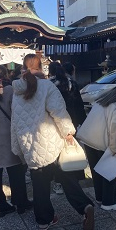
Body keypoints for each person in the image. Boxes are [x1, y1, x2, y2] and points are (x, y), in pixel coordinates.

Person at [11, 54, 95, 230]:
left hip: (31, 145)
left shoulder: (17, 90)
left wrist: (17, 147)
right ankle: (85, 207)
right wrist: (69, 132)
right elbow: (59, 112)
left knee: (40, 185)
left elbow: (15, 122)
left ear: (23, 67)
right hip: (52, 142)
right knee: (67, 178)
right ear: (41, 67)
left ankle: (44, 220)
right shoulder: (47, 86)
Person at [77, 72, 116, 211]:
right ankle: (109, 202)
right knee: (109, 172)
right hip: (102, 142)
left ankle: (100, 198)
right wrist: (115, 148)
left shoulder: (106, 96)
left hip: (89, 139)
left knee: (96, 171)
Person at [0, 65, 32, 218]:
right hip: (8, 137)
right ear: (6, 75)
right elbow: (16, 114)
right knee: (16, 171)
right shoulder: (10, 91)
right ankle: (20, 201)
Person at [48, 61, 87, 194]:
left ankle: (58, 182)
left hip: (53, 122)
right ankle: (75, 178)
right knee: (71, 149)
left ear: (50, 71)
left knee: (57, 153)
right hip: (72, 121)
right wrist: (82, 121)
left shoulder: (49, 84)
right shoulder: (72, 83)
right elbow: (79, 105)